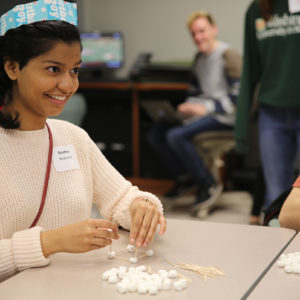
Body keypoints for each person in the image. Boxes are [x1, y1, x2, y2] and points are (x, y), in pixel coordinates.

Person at [0, 1, 166, 282]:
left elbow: (122, 197)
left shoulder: (72, 137)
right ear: (13, 67)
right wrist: (48, 242)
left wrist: (142, 206)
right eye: (54, 69)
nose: (68, 85)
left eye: (74, 70)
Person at [147, 11, 241, 212]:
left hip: (225, 117)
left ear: (214, 29)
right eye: (193, 33)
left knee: (175, 136)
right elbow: (195, 92)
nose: (198, 37)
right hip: (205, 113)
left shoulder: (228, 55)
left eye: (202, 31)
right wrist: (188, 107)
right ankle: (185, 177)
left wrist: (204, 107)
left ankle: (207, 183)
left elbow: (239, 98)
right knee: (156, 133)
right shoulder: (199, 58)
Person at [235, 0, 300, 224]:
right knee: (275, 198)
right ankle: (284, 258)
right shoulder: (256, 10)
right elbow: (249, 70)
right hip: (271, 116)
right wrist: (240, 130)